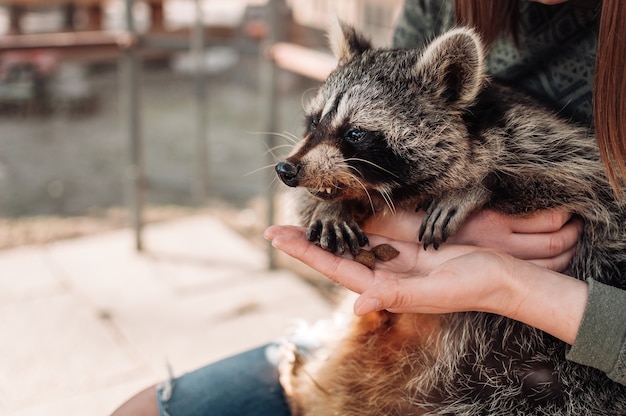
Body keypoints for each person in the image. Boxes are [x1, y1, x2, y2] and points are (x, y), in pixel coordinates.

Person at [111, 0, 626, 414]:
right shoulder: (441, 8)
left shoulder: (509, 136)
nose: (299, 156)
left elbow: (584, 189)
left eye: (355, 135)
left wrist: (508, 275)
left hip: (539, 379)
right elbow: (353, 182)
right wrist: (400, 222)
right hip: (385, 352)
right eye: (315, 126)